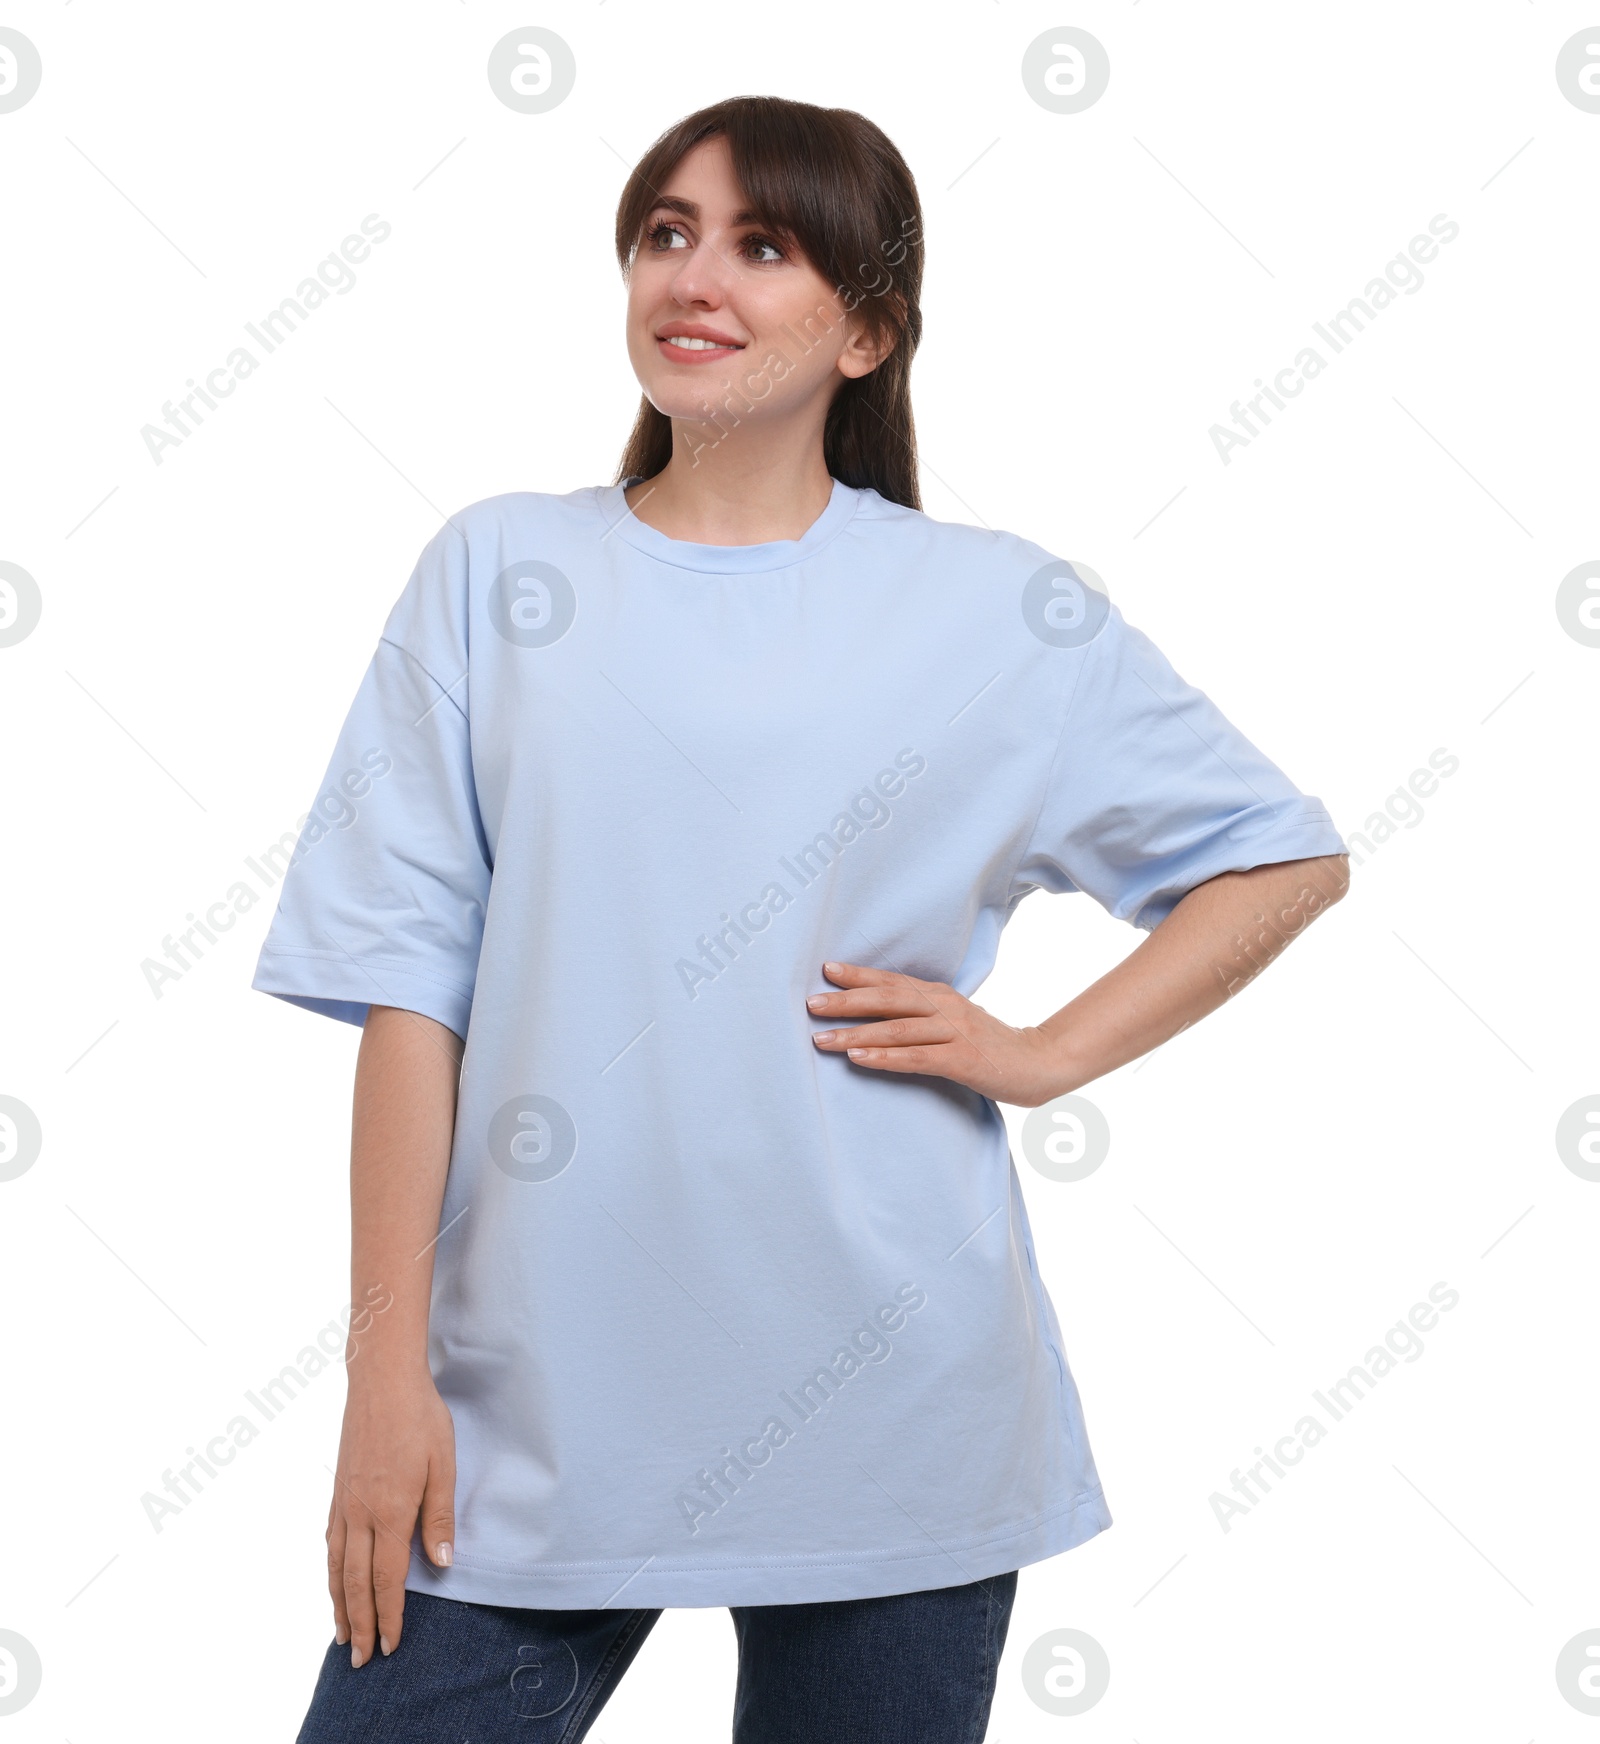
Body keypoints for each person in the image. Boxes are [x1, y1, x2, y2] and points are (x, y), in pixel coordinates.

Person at [252, 94, 1350, 1743]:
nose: (694, 277)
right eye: (666, 234)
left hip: (895, 1406)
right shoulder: (497, 572)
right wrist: (381, 1378)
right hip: (523, 1412)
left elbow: (1282, 857)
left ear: (867, 327)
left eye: (764, 245)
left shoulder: (994, 610)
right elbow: (415, 994)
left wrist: (1044, 1053)